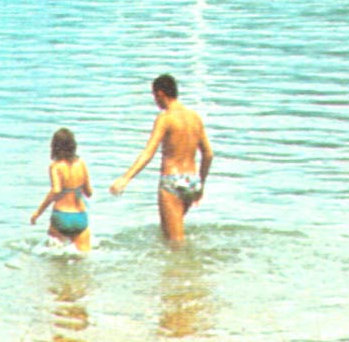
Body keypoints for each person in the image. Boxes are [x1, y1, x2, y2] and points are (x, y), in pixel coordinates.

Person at [111, 73, 214, 246]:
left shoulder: (165, 118)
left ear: (160, 94)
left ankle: (183, 264)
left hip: (172, 182)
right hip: (192, 181)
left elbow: (148, 153)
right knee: (174, 233)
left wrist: (125, 178)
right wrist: (201, 184)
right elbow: (208, 154)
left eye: (154, 96)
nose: (155, 102)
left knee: (174, 244)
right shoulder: (195, 117)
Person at [29, 127, 93, 252]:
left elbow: (56, 190)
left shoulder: (55, 166)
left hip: (61, 216)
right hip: (80, 216)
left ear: (55, 147)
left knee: (55, 257)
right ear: (73, 145)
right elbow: (89, 193)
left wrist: (38, 213)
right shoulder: (81, 164)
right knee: (83, 256)